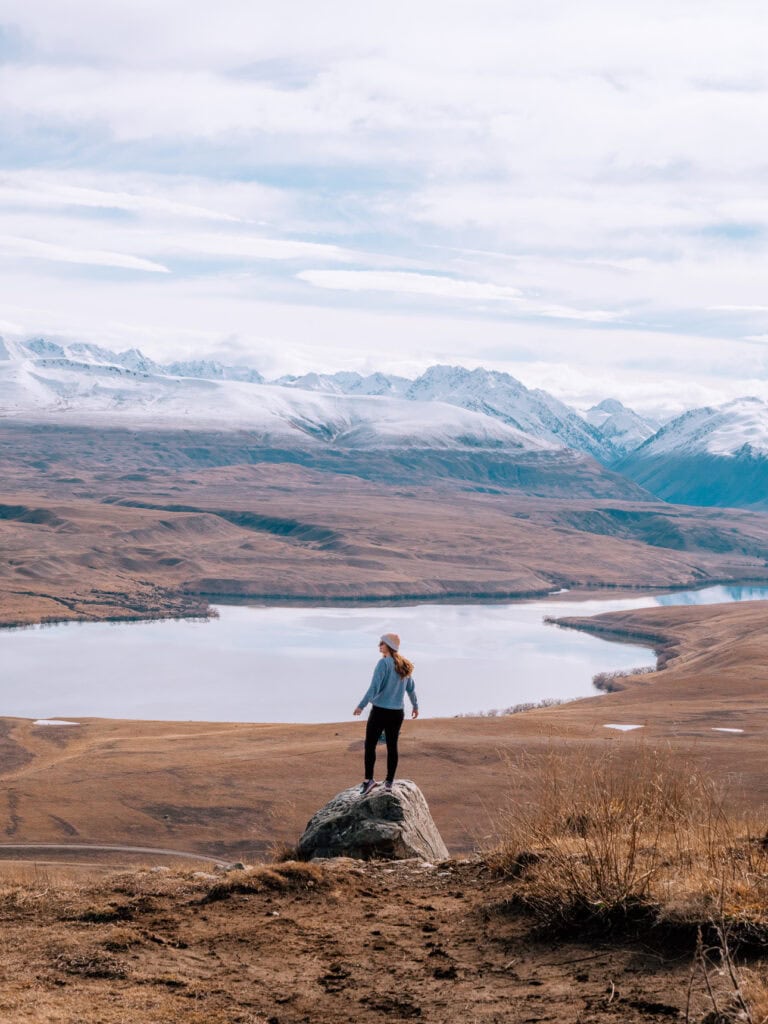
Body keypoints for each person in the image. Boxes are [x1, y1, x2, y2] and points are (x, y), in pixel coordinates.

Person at [353, 632, 418, 795]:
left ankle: (369, 781)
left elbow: (374, 687)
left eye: (381, 643)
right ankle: (389, 782)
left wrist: (361, 705)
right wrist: (415, 706)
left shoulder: (384, 664)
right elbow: (411, 689)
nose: (379, 646)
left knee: (370, 745)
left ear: (388, 646)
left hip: (380, 711)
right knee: (392, 746)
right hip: (397, 713)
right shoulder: (403, 665)